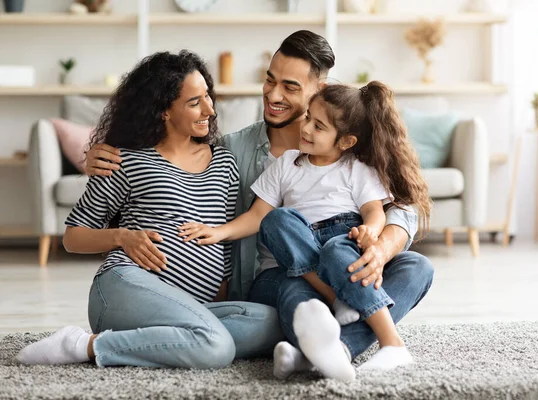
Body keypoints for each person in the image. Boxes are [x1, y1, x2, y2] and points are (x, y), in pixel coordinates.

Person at [84, 31, 434, 381]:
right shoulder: (232, 149)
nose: (273, 95)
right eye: (270, 80)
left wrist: (381, 248)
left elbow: (403, 206)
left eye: (291, 87)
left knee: (416, 267)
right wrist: (109, 151)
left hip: (346, 264)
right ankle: (339, 331)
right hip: (279, 279)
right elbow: (170, 147)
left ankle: (336, 346)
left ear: (320, 88)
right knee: (283, 242)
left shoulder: (347, 141)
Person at [16, 50, 283, 369]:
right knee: (217, 347)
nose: (210, 110)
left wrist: (214, 305)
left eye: (208, 97)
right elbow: (73, 238)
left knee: (273, 323)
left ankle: (176, 337)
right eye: (194, 102)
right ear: (163, 112)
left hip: (194, 306)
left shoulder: (224, 162)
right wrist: (121, 237)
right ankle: (84, 345)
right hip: (124, 286)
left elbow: (222, 248)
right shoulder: (125, 160)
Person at [178, 80, 431, 381]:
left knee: (416, 265)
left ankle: (336, 350)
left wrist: (371, 233)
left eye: (319, 126)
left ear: (346, 141)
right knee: (279, 221)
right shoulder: (287, 163)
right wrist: (220, 232)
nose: (306, 129)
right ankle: (340, 300)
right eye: (308, 118)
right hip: (294, 267)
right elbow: (258, 215)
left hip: (342, 256)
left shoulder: (357, 168)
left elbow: (374, 211)